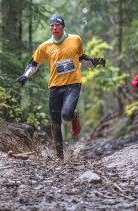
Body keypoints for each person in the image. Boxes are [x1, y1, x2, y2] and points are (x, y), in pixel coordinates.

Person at [17, 14, 106, 160]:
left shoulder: (75, 39)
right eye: (51, 25)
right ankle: (60, 156)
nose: (54, 28)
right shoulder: (44, 46)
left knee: (66, 114)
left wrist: (96, 62)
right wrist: (25, 75)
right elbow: (33, 64)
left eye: (57, 25)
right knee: (54, 121)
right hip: (55, 86)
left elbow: (82, 57)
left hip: (73, 84)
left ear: (62, 26)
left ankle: (74, 116)